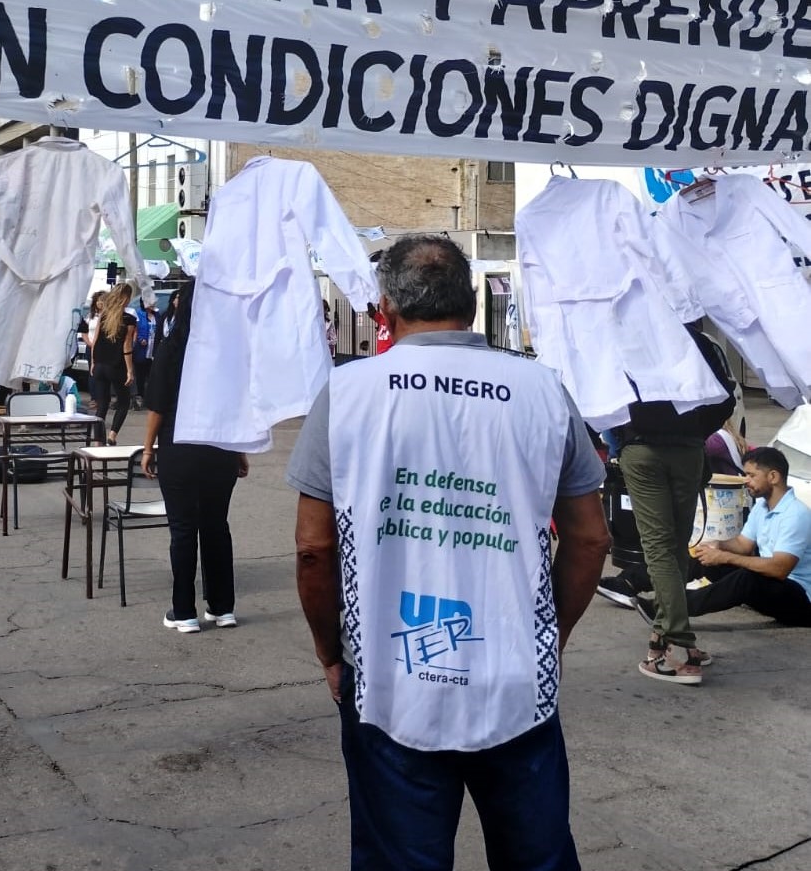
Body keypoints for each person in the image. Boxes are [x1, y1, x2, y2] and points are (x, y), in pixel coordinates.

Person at [287, 235, 609, 871]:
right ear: (469, 305)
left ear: (385, 310)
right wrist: (551, 638)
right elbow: (591, 536)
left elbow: (313, 549)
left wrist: (332, 654)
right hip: (516, 675)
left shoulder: (349, 393)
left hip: (388, 679)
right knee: (536, 856)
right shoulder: (542, 390)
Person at [610, 322, 736, 685]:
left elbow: (601, 394)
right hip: (687, 449)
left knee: (660, 550)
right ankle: (663, 637)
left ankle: (678, 644)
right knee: (675, 547)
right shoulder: (700, 342)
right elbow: (726, 396)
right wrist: (695, 428)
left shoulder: (627, 338)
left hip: (643, 448)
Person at [142, 280, 248, 633]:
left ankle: (183, 610)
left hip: (180, 445)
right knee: (217, 526)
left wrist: (147, 448)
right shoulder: (227, 353)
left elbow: (157, 405)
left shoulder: (172, 349)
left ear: (181, 307)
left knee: (183, 529)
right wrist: (239, 449)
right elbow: (238, 404)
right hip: (220, 448)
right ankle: (222, 607)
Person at [637, 447, 811, 628]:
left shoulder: (796, 515)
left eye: (751, 475)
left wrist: (725, 556)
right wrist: (717, 546)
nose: (746, 481)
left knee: (746, 578)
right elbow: (743, 545)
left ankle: (670, 610)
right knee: (706, 558)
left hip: (801, 600)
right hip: (772, 585)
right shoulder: (762, 507)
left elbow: (779, 568)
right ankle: (630, 582)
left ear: (773, 477)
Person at [90, 283, 136, 445]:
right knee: (123, 402)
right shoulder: (129, 319)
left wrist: (93, 362)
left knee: (102, 404)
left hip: (100, 363)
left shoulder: (103, 316)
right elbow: (127, 345)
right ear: (126, 299)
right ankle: (112, 436)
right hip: (116, 364)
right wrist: (130, 370)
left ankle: (97, 441)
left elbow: (95, 341)